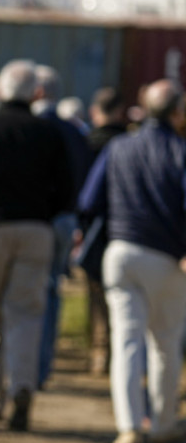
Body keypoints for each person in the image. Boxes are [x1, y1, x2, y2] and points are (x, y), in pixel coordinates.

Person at [0, 60, 73, 431]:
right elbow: (67, 188)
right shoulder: (47, 132)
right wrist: (44, 214)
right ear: (36, 92)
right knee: (25, 313)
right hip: (36, 229)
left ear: (0, 88)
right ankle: (23, 385)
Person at [78, 79, 186, 443]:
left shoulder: (118, 147)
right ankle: (162, 422)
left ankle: (128, 426)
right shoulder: (180, 151)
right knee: (165, 342)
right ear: (177, 112)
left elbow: (89, 201)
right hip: (166, 257)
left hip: (120, 253)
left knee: (126, 341)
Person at [32, 65, 91, 390]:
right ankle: (43, 365)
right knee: (52, 288)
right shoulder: (74, 131)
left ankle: (27, 367)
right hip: (65, 219)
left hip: (36, 219)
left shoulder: (32, 127)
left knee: (27, 291)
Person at [81, 87, 128, 376]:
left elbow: (85, 197)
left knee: (96, 292)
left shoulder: (86, 143)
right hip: (125, 228)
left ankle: (99, 352)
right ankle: (115, 352)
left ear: (94, 111)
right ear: (121, 111)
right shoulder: (128, 142)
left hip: (94, 229)